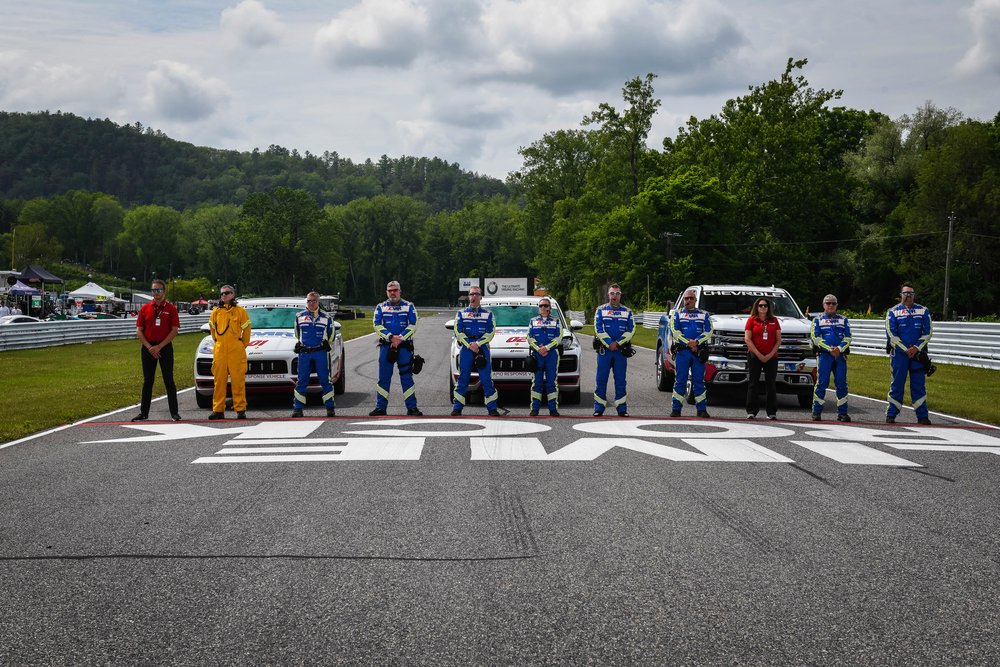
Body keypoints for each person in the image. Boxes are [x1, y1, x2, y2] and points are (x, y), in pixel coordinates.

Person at [369, 280, 422, 417]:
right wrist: (391, 337)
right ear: (387, 292)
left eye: (395, 290)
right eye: (390, 290)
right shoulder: (380, 307)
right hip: (387, 346)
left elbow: (414, 324)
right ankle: (381, 408)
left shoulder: (409, 306)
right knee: (383, 379)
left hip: (404, 347)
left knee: (407, 378)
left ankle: (412, 408)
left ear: (400, 291)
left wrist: (401, 338)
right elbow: (377, 325)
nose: (393, 293)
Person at [131, 279, 181, 422]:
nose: (156, 293)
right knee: (148, 381)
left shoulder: (171, 308)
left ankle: (174, 412)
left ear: (164, 292)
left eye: (159, 290)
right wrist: (150, 347)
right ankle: (144, 412)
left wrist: (159, 346)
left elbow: (174, 330)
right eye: (154, 290)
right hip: (148, 347)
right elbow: (139, 330)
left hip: (164, 347)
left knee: (168, 380)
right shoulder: (145, 308)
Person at [885, 282, 933, 425]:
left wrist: (916, 348)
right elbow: (891, 335)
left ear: (914, 295)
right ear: (901, 295)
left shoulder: (923, 311)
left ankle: (922, 416)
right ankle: (891, 414)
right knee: (897, 384)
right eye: (905, 293)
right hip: (899, 355)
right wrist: (906, 349)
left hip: (917, 355)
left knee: (919, 385)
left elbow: (928, 332)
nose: (908, 296)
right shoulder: (892, 311)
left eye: (911, 293)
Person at [451, 286, 500, 417]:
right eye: (471, 294)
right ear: (468, 296)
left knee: (486, 378)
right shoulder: (461, 313)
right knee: (463, 377)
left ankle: (492, 408)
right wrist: (469, 344)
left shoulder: (488, 314)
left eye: (477, 294)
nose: (474, 297)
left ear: (480, 297)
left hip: (482, 347)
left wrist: (478, 344)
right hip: (466, 348)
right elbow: (458, 331)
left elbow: (491, 332)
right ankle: (457, 407)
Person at [208, 284, 251, 420]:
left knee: (238, 381)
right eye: (222, 294)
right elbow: (213, 330)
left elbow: (247, 329)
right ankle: (218, 410)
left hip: (236, 349)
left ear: (233, 294)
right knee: (219, 381)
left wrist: (241, 345)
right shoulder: (216, 312)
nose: (224, 296)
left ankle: (240, 409)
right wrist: (218, 343)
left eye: (226, 293)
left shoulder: (240, 311)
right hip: (220, 349)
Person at [291, 291, 336, 418]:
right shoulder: (299, 316)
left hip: (320, 352)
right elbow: (297, 333)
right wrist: (301, 344)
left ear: (318, 302)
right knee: (302, 381)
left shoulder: (326, 317)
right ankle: (298, 408)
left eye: (314, 301)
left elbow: (331, 334)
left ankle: (330, 407)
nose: (311, 303)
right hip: (305, 353)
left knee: (325, 380)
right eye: (309, 301)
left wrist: (327, 342)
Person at [669, 289, 713, 418]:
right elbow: (675, 331)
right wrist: (688, 343)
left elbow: (709, 331)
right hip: (683, 352)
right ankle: (676, 409)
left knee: (699, 381)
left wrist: (697, 342)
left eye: (691, 298)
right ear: (683, 300)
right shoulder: (677, 314)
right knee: (680, 381)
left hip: (698, 352)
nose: (688, 300)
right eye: (686, 298)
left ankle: (702, 409)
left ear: (695, 300)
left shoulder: (704, 314)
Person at [593, 284, 635, 417]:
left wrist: (617, 343)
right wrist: (609, 343)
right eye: (612, 293)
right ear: (608, 295)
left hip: (620, 351)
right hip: (605, 351)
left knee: (621, 380)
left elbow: (631, 329)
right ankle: (599, 408)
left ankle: (621, 408)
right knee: (601, 379)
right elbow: (598, 328)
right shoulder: (600, 310)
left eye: (617, 293)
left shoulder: (627, 311)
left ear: (620, 295)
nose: (614, 296)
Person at [810, 294, 852, 422]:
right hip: (824, 355)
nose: (831, 305)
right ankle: (816, 412)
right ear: (823, 305)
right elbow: (816, 338)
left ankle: (842, 413)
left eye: (833, 303)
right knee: (822, 383)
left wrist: (839, 349)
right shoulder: (817, 320)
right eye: (828, 303)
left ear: (837, 305)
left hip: (840, 356)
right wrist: (829, 349)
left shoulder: (843, 319)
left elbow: (848, 337)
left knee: (841, 384)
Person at [745, 296, 782, 420]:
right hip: (754, 356)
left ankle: (771, 412)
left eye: (765, 306)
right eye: (760, 305)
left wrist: (770, 355)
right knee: (753, 383)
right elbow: (747, 339)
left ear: (768, 308)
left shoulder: (774, 320)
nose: (763, 308)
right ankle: (751, 411)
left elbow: (778, 340)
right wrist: (759, 355)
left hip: (771, 357)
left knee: (771, 384)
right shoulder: (751, 320)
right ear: (757, 307)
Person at [528, 297, 564, 416]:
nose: (543, 308)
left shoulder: (556, 321)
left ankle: (553, 409)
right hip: (537, 355)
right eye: (541, 306)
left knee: (551, 383)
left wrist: (547, 348)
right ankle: (535, 408)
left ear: (550, 308)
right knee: (537, 382)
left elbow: (558, 338)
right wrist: (539, 349)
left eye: (546, 306)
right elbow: (529, 337)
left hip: (551, 355)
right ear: (538, 308)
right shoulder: (533, 321)